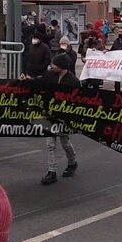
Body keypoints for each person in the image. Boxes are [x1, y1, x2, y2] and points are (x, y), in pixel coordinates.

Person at [39, 54, 79, 185]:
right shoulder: (49, 75)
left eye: (54, 64)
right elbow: (38, 83)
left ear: (62, 66)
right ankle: (52, 172)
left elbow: (77, 100)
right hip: (49, 115)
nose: (52, 66)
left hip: (63, 116)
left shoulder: (72, 81)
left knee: (64, 142)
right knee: (50, 144)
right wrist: (26, 79)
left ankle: (72, 163)